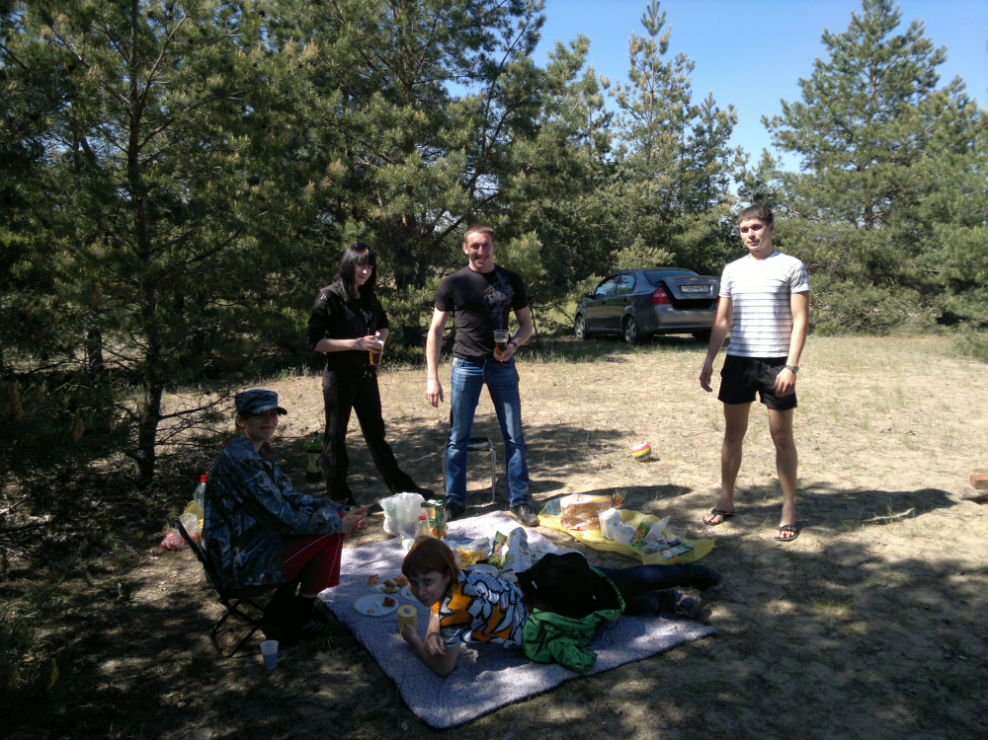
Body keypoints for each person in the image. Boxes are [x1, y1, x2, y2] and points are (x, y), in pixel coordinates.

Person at [398, 536, 721, 676]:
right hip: (544, 589)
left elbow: (443, 668)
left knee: (627, 582)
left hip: (552, 607)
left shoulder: (453, 610)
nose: (420, 591)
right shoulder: (463, 576)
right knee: (614, 591)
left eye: (427, 581)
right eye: (413, 582)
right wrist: (434, 629)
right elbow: (445, 607)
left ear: (447, 574)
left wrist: (415, 639)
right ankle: (667, 599)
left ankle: (696, 576)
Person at [204, 389, 371, 643]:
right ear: (241, 421)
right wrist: (338, 522)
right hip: (236, 564)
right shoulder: (242, 459)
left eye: (273, 414)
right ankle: (297, 614)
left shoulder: (258, 452)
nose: (269, 420)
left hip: (254, 542)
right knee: (330, 531)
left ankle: (285, 609)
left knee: (331, 521)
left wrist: (340, 510)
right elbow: (283, 517)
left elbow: (290, 497)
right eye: (260, 415)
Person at [699, 205, 811, 541]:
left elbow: (801, 320)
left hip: (777, 363)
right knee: (733, 434)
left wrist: (791, 366)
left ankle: (789, 509)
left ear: (771, 229)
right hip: (739, 362)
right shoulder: (732, 270)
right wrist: (709, 361)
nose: (751, 234)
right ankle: (726, 500)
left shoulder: (791, 266)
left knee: (782, 437)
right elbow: (723, 320)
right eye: (744, 229)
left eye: (757, 227)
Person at [425, 224, 537, 526]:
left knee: (514, 436)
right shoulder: (453, 283)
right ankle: (455, 501)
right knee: (458, 438)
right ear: (465, 248)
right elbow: (435, 330)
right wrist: (432, 377)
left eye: (486, 245)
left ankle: (520, 501)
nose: (481, 251)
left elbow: (527, 325)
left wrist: (513, 345)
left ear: (494, 247)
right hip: (466, 366)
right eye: (475, 245)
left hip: (502, 366)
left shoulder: (511, 280)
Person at [307, 243, 433, 506]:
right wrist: (355, 344)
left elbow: (383, 324)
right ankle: (340, 498)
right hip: (339, 377)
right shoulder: (329, 297)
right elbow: (315, 342)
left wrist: (380, 343)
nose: (365, 271)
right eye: (360, 265)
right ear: (348, 265)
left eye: (370, 266)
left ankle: (403, 490)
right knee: (335, 438)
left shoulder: (368, 297)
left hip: (366, 375)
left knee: (377, 436)